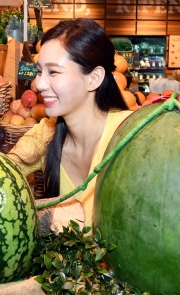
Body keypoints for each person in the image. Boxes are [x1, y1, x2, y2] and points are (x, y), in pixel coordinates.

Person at [7, 18, 132, 228]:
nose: (38, 84)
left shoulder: (129, 136)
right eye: (39, 72)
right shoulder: (45, 134)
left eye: (53, 72)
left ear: (93, 78)